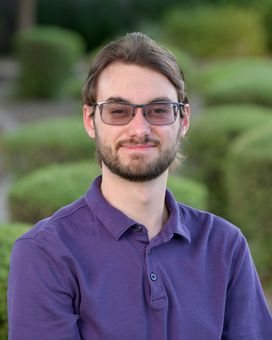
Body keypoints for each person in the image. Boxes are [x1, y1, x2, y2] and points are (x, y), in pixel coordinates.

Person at [8, 32, 272, 340]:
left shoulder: (225, 247)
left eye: (158, 109)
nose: (139, 128)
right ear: (90, 120)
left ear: (183, 119)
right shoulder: (45, 254)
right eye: (118, 111)